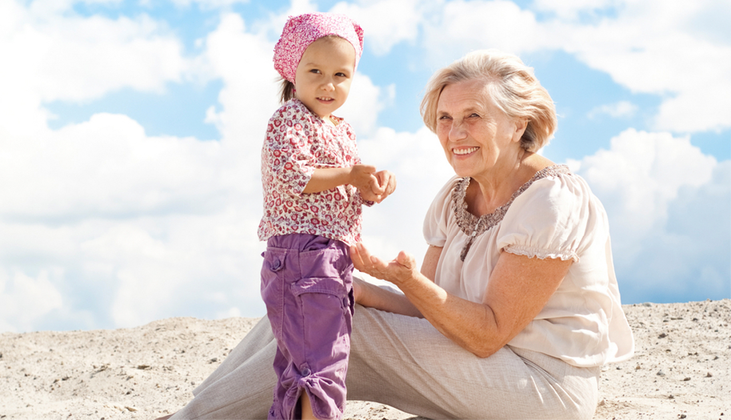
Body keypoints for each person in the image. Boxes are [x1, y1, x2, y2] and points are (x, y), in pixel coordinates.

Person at [157, 49, 633, 420]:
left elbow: (488, 333)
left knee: (338, 330)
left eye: (473, 116)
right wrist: (362, 288)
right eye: (444, 119)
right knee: (312, 298)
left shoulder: (551, 200)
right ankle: (196, 409)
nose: (454, 133)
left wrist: (405, 281)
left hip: (542, 389)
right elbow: (434, 314)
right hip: (476, 364)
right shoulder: (455, 196)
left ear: (518, 124)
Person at [261, 13, 395, 420]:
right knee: (319, 364)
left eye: (341, 74)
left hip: (331, 254)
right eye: (315, 70)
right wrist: (351, 173)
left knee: (313, 360)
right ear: (292, 70)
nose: (328, 84)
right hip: (303, 252)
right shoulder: (289, 120)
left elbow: (347, 187)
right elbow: (291, 175)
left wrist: (371, 185)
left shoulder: (341, 129)